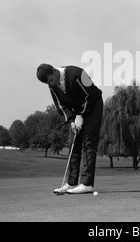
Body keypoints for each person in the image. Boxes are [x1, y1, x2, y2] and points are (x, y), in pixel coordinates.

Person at [36, 64, 103, 194]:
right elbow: (60, 106)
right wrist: (72, 120)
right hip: (76, 113)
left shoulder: (78, 73)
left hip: (94, 106)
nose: (51, 83)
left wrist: (80, 114)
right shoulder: (52, 86)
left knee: (88, 143)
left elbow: (92, 95)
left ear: (54, 71)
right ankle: (71, 183)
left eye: (51, 80)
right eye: (48, 83)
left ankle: (87, 184)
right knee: (73, 143)